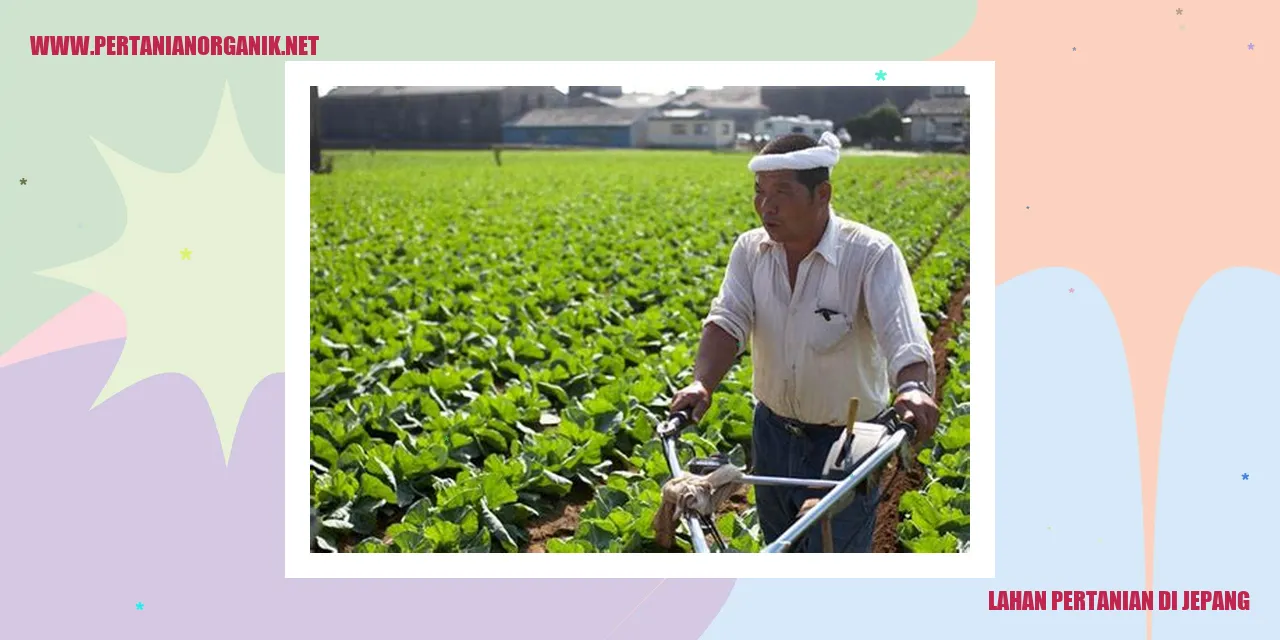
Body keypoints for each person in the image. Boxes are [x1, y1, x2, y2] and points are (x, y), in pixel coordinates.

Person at [669, 132, 939, 553]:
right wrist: (701, 383)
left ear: (822, 194)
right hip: (772, 433)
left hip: (847, 444)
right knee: (780, 549)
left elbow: (903, 336)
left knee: (834, 562)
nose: (766, 206)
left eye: (782, 192)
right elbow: (728, 320)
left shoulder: (869, 254)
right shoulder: (751, 251)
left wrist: (912, 389)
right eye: (759, 193)